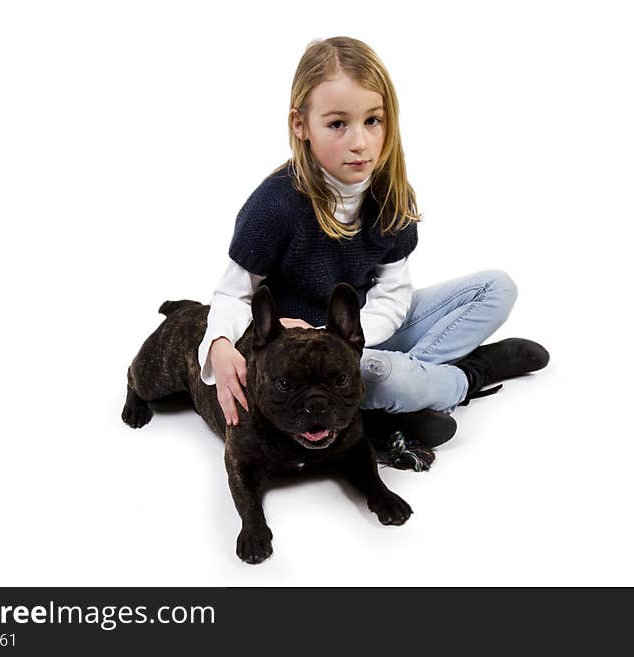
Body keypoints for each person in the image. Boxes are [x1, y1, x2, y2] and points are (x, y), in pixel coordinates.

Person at [198, 36, 549, 461]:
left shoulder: (391, 195)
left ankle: (400, 397)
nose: (360, 142)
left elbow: (394, 293)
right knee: (375, 372)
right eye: (337, 124)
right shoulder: (274, 206)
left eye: (373, 121)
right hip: (310, 362)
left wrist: (353, 340)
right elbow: (233, 293)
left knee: (497, 288)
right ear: (300, 125)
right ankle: (469, 376)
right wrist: (218, 342)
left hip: (360, 333)